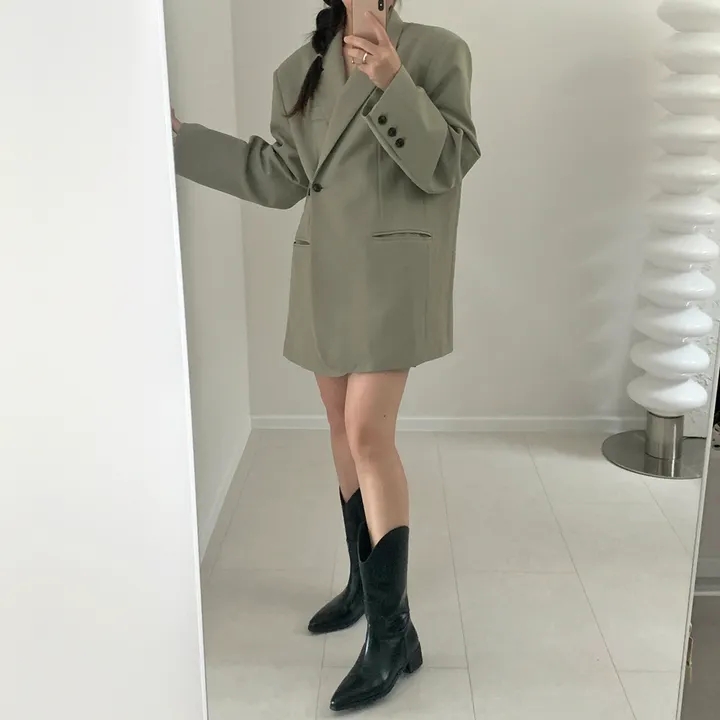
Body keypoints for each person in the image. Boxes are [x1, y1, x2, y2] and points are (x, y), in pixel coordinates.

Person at [172, 0, 479, 711]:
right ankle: (364, 586)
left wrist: (393, 79)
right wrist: (184, 143)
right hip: (325, 270)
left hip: (393, 276)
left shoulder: (438, 52)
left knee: (369, 434)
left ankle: (391, 637)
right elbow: (281, 176)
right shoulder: (300, 70)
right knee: (341, 430)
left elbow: (447, 165)